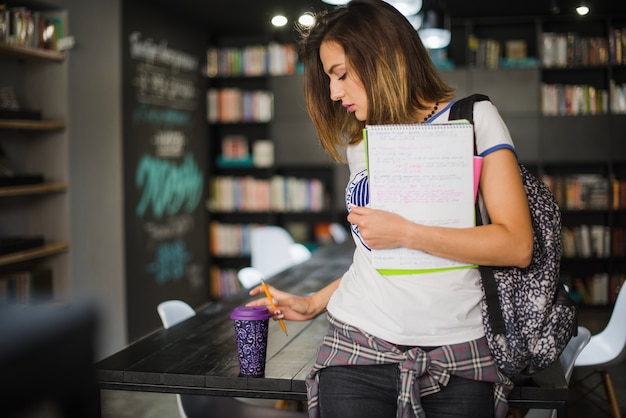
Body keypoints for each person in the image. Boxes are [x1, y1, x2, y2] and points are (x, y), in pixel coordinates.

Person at [247, 1, 533, 417]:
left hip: (458, 351)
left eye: (341, 74)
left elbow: (516, 244)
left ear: (383, 57)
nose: (334, 92)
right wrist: (314, 303)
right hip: (356, 345)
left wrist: (406, 232)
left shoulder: (473, 119)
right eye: (329, 79)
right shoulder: (359, 142)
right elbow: (377, 258)